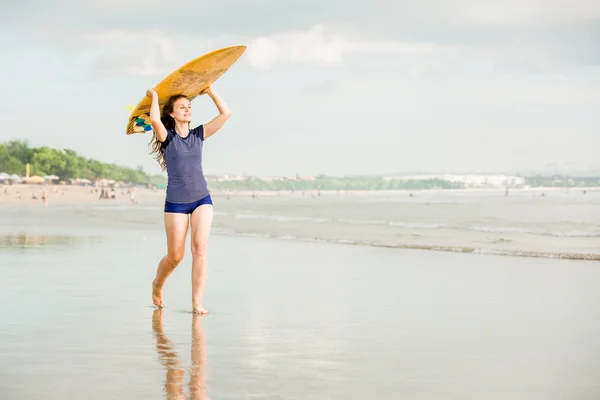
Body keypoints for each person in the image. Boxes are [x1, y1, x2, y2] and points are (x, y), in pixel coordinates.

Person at [147, 84, 231, 315]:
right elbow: (155, 120)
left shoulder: (198, 134)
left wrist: (211, 91)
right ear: (172, 113)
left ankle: (196, 303)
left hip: (201, 199)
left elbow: (226, 114)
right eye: (181, 107)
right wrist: (155, 96)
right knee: (175, 256)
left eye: (189, 106)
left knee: (200, 248)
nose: (187, 109)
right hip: (176, 203)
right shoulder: (168, 137)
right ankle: (158, 283)